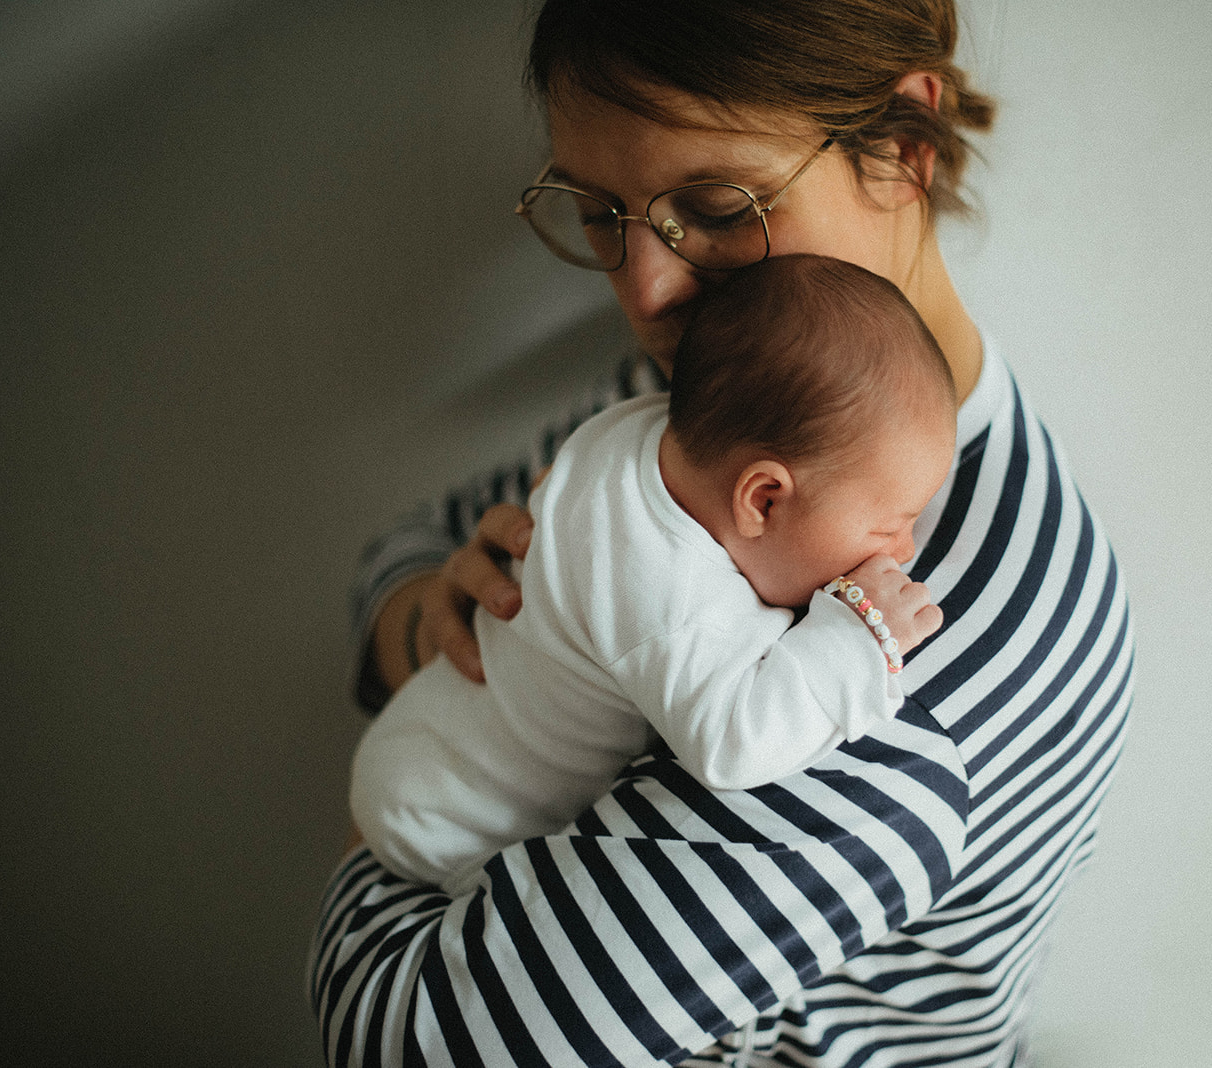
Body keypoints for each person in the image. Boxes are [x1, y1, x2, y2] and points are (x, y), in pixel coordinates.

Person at [311, 0, 1136, 1064]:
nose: (647, 291)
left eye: (717, 205)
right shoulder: (721, 391)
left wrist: (387, 813)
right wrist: (434, 628)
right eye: (601, 215)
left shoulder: (906, 666)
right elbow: (418, 542)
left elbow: (401, 1039)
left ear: (903, 143)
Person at [350, 254, 957, 897]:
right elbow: (733, 744)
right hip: (452, 813)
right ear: (762, 501)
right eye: (889, 526)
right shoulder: (670, 601)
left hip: (425, 733)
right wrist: (857, 637)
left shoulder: (643, 429)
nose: (905, 548)